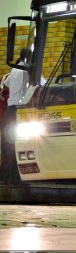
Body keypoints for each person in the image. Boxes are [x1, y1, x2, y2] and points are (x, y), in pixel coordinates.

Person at [0, 48, 28, 184]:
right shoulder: (29, 70)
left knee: (8, 143)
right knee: (20, 142)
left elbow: (5, 84)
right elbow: (43, 84)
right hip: (19, 110)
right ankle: (16, 176)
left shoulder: (14, 69)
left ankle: (7, 176)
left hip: (9, 110)